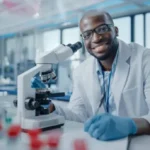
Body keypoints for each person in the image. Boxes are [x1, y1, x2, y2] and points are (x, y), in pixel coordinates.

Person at [31, 11, 150, 141]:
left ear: (115, 30)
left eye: (102, 29)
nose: (96, 38)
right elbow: (78, 116)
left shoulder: (144, 60)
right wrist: (49, 106)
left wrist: (130, 125)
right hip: (100, 144)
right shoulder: (81, 72)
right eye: (87, 34)